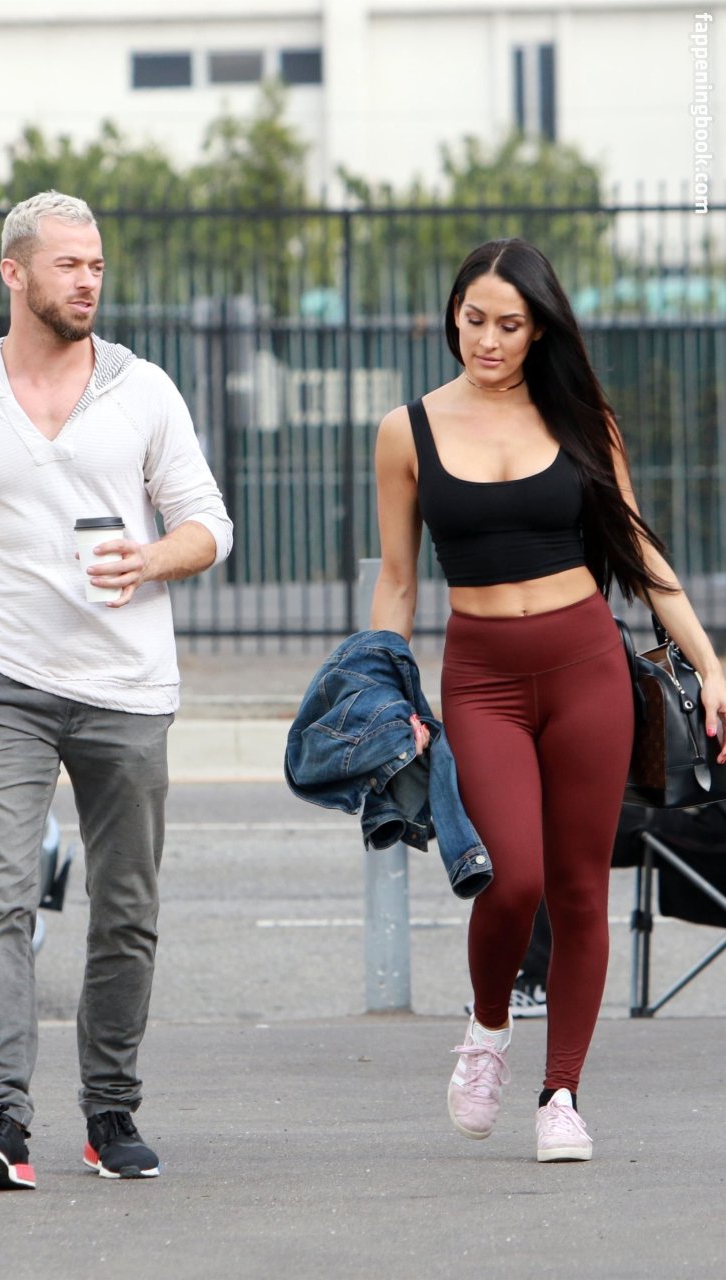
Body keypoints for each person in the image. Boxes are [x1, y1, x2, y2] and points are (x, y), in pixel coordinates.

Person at [0, 191, 233, 1190]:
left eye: (96, 265)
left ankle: (110, 1109)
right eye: (68, 264)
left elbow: (210, 523)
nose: (88, 281)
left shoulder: (144, 391)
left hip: (127, 688)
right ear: (14, 273)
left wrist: (153, 556)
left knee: (125, 909)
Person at [370, 237, 726, 1162]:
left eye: (509, 324)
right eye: (473, 320)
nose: (487, 340)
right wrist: (384, 682)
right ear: (452, 315)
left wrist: (709, 663)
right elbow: (398, 582)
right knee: (510, 876)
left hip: (585, 668)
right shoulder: (406, 430)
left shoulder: (579, 420)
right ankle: (487, 1029)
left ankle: (560, 1092)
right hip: (480, 677)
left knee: (577, 889)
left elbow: (638, 551)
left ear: (539, 331)